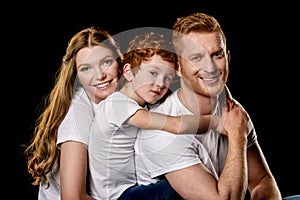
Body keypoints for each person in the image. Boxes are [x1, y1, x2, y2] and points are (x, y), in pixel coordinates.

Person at [134, 12, 283, 200]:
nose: (210, 67)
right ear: (178, 68)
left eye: (217, 55)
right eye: (196, 58)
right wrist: (238, 135)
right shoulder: (161, 132)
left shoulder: (234, 112)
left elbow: (262, 180)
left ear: (228, 58)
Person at [87, 31, 226, 200]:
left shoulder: (141, 102)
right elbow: (175, 125)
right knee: (180, 188)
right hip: (116, 196)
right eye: (153, 73)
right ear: (129, 71)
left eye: (167, 77)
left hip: (132, 188)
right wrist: (218, 122)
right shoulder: (117, 105)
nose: (161, 84)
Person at [24, 27, 124, 200]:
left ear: (120, 63)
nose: (100, 75)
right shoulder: (77, 114)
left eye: (106, 62)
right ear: (76, 75)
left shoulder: (122, 104)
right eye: (86, 69)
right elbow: (72, 198)